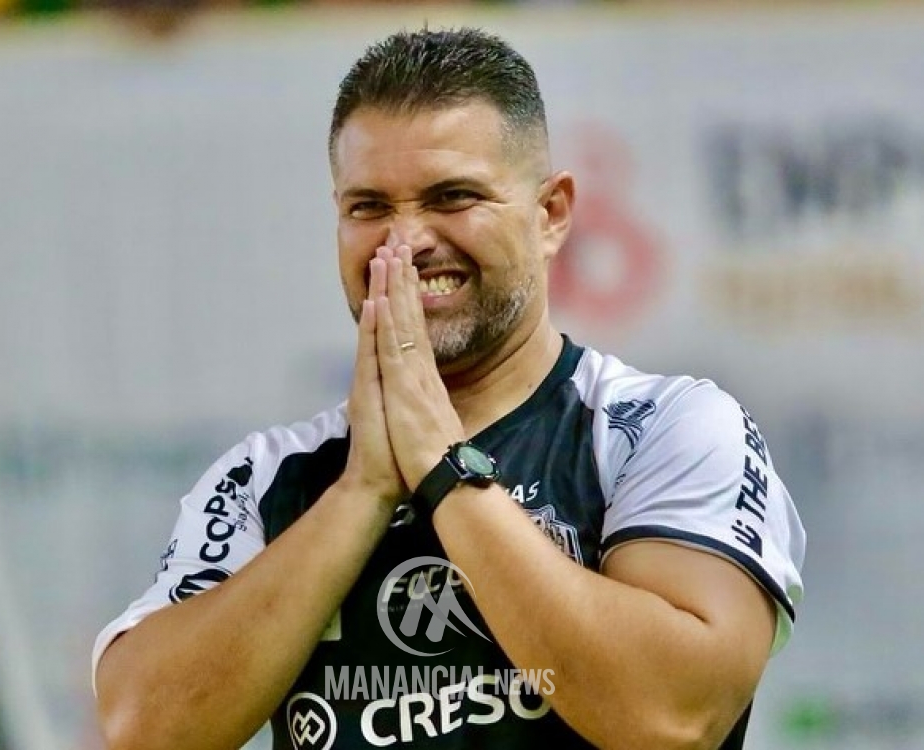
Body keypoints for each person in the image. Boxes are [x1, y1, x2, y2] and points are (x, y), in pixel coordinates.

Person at [92, 26, 806, 750]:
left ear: (551, 214)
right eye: (369, 207)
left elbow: (673, 718)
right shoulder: (269, 475)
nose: (406, 242)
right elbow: (144, 730)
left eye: (453, 197)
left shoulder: (665, 430)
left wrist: (446, 469)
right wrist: (361, 492)